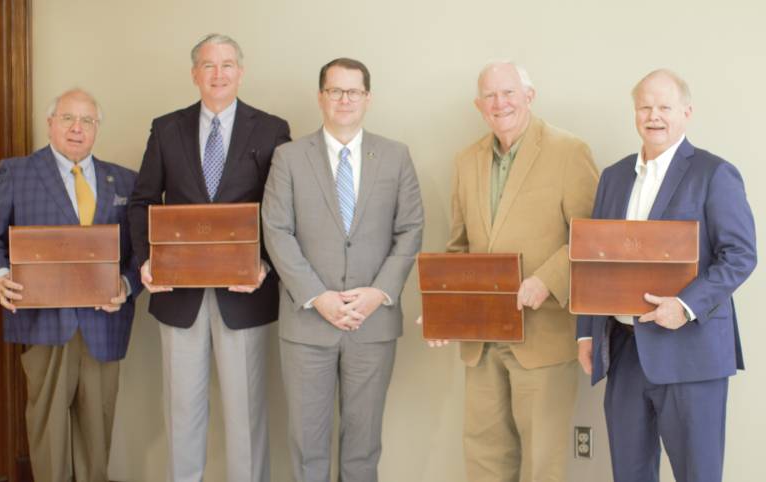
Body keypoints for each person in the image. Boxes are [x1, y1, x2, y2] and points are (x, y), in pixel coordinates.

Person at [421, 61, 599, 482]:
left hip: (543, 335)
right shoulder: (466, 160)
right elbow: (459, 248)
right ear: (478, 105)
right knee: (484, 458)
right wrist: (444, 311)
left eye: (508, 93)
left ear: (529, 96)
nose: (499, 103)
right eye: (490, 95)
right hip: (482, 341)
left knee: (541, 462)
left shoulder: (568, 151)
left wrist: (547, 280)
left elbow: (591, 236)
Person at [576, 69, 757, 482]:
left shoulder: (715, 173)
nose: (653, 116)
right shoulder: (613, 176)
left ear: (686, 113)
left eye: (664, 107)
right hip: (624, 351)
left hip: (691, 353)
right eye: (644, 107)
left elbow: (740, 255)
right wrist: (586, 332)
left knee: (698, 475)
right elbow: (592, 259)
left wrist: (685, 305)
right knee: (629, 473)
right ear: (635, 113)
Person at [127, 34, 290, 482]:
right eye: (209, 65)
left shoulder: (271, 129)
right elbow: (142, 201)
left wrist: (264, 266)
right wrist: (146, 262)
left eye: (227, 65)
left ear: (241, 72)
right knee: (182, 413)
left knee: (247, 417)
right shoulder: (166, 128)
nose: (218, 74)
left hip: (246, 293)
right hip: (178, 295)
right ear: (194, 74)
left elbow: (282, 211)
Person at [261, 57, 424, 482]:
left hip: (373, 323)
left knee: (363, 448)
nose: (344, 99)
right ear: (321, 97)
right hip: (307, 324)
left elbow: (410, 229)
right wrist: (318, 297)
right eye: (335, 90)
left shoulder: (395, 156)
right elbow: (276, 231)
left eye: (354, 91)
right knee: (307, 447)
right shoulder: (289, 158)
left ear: (368, 98)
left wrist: (378, 293)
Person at [0, 88, 141, 482]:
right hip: (44, 323)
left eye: (87, 120)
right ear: (50, 123)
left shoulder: (125, 180)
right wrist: (1, 278)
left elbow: (141, 251)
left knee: (97, 435)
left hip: (104, 325)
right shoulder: (17, 173)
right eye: (68, 118)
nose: (77, 128)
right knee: (48, 431)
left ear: (97, 128)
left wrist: (126, 284)